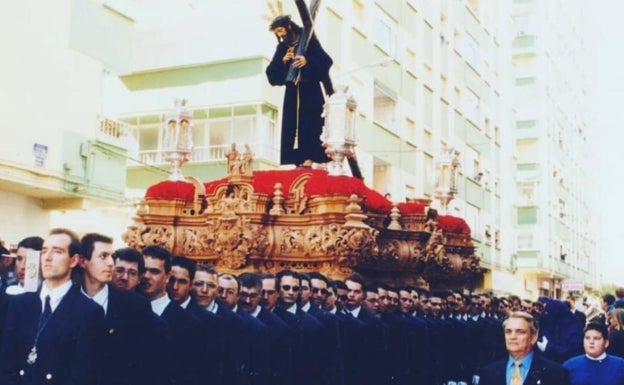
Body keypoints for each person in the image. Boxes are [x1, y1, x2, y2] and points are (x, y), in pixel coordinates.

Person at [0, 228, 106, 385]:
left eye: (57, 251)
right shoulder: (19, 303)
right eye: (44, 251)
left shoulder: (89, 312)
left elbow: (82, 375)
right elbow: (5, 364)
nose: (47, 257)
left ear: (74, 260)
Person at [79, 233, 156, 385]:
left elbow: (144, 362)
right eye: (103, 256)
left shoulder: (137, 306)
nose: (110, 263)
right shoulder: (69, 299)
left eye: (111, 257)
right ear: (82, 261)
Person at [266, 14, 333, 166]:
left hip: (310, 92)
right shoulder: (282, 47)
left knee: (310, 125)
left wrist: (307, 61)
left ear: (289, 27)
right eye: (277, 33)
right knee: (291, 127)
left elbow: (326, 61)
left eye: (281, 30)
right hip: (292, 94)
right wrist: (283, 62)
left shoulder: (308, 39)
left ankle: (310, 159)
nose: (281, 35)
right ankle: (296, 161)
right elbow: (272, 75)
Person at [476, 311, 570, 385]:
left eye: (520, 332)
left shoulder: (555, 373)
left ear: (533, 337)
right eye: (508, 331)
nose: (512, 337)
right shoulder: (488, 373)